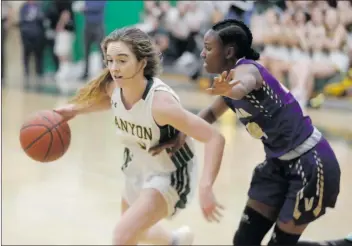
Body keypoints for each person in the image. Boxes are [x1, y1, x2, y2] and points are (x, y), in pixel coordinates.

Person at [149, 19, 352, 246]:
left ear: (228, 51)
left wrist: (232, 89)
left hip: (311, 163)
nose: (203, 54)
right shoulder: (230, 83)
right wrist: (178, 136)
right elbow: (208, 116)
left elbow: (244, 85)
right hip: (277, 164)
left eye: (208, 48)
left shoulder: (248, 69)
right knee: (244, 241)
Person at [54, 27, 226, 245]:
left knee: (122, 234)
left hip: (170, 174)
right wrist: (76, 109)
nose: (114, 68)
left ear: (142, 63)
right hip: (137, 167)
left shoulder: (160, 104)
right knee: (135, 232)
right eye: (110, 60)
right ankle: (176, 242)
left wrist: (206, 186)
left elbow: (214, 138)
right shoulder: (114, 87)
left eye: (122, 60)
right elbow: (110, 100)